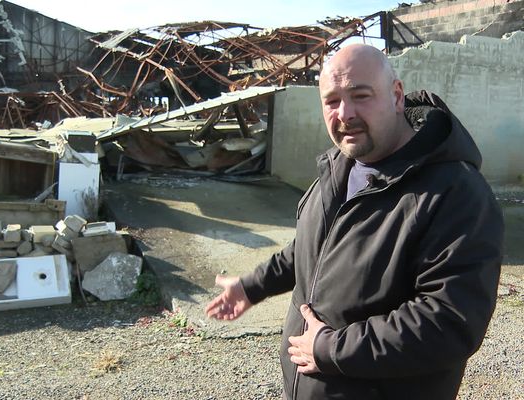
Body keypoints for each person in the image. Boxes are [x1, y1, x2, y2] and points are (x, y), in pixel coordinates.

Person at [205, 44, 504, 400]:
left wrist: (331, 349)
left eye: (360, 95)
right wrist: (252, 286)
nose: (345, 113)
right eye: (332, 101)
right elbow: (313, 246)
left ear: (396, 96)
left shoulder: (456, 194)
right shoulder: (339, 169)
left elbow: (449, 322)